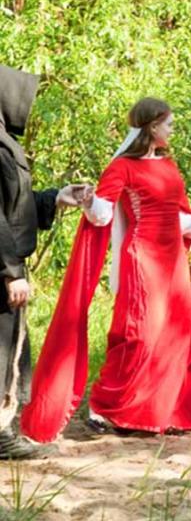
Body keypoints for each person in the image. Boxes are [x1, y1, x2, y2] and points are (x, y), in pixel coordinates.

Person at [20, 97, 191, 441]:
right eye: (169, 124)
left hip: (173, 261)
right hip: (143, 259)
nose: (172, 130)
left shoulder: (169, 166)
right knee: (138, 333)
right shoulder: (122, 167)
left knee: (172, 334)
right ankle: (104, 406)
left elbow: (180, 219)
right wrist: (88, 201)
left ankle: (153, 411)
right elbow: (103, 215)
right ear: (152, 126)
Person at [0, 66, 86, 458]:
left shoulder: (4, 142)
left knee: (9, 349)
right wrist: (10, 271)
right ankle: (2, 437)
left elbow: (14, 206)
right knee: (1, 350)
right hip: (3, 269)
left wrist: (54, 198)